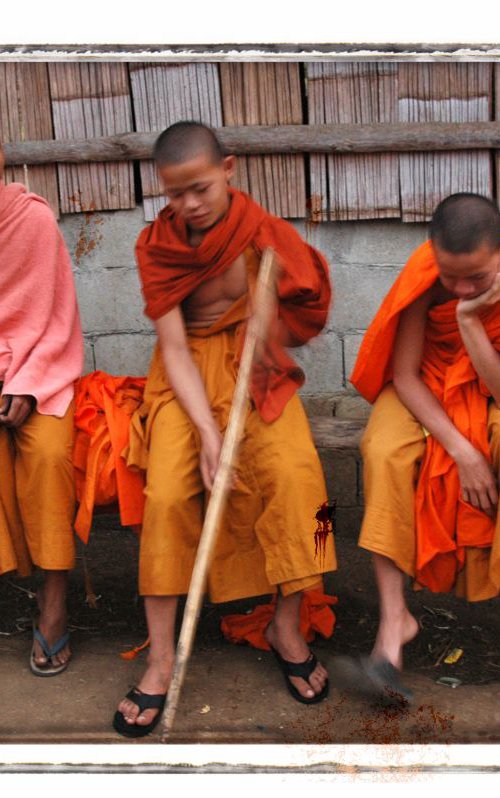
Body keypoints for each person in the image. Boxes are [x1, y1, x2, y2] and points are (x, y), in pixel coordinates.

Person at [113, 121, 336, 737]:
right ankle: (162, 656)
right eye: (175, 192)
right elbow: (175, 349)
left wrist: (275, 316)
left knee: (301, 479)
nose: (189, 204)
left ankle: (286, 625)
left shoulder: (261, 233)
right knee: (165, 494)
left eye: (201, 188)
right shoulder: (156, 246)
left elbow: (308, 305)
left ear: (230, 169)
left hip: (251, 367)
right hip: (181, 377)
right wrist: (211, 438)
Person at [349, 193, 500, 701]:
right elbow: (405, 376)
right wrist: (462, 449)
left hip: (488, 385)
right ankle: (394, 623)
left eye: (475, 279)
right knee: (382, 450)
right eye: (449, 276)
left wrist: (468, 319)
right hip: (429, 386)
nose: (458, 288)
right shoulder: (424, 273)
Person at [0, 142, 83, 676]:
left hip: (40, 371)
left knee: (51, 455)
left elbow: (53, 317)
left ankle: (54, 604)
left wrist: (27, 384)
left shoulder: (30, 220)